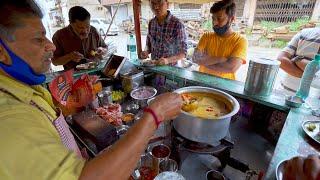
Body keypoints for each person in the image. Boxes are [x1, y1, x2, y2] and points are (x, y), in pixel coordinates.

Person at [0, 1, 182, 179]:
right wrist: (154, 115)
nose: (51, 46)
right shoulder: (11, 118)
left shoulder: (27, 89)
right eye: (38, 39)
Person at [192, 0, 248, 80]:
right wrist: (220, 59)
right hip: (202, 82)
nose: (214, 23)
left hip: (224, 86)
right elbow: (195, 58)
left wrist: (205, 61)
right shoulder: (206, 36)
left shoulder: (240, 40)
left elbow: (231, 68)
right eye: (213, 19)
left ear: (231, 19)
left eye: (219, 18)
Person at [52, 6, 107, 70]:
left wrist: (102, 50)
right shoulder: (59, 36)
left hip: (95, 70)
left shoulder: (93, 30)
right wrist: (69, 57)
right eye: (80, 27)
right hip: (74, 74)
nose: (85, 31)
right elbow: (55, 61)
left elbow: (104, 47)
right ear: (70, 23)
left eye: (87, 26)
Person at [139, 0, 187, 65]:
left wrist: (167, 60)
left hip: (170, 71)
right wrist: (146, 52)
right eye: (153, 3)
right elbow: (149, 46)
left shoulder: (177, 24)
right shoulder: (151, 23)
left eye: (160, 3)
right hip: (153, 68)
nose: (156, 7)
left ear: (167, 4)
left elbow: (183, 53)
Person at [277, 27, 320, 92]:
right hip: (286, 93)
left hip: (288, 92)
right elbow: (281, 60)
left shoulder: (305, 32)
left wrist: (298, 60)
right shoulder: (305, 33)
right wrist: (309, 77)